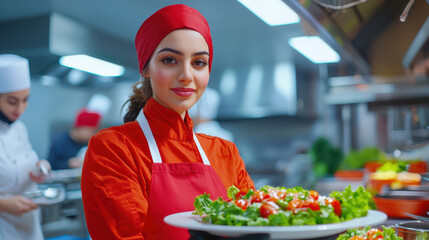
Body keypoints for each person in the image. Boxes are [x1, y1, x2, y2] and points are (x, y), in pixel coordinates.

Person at [81, 4, 254, 240]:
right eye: (170, 60)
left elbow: (255, 223)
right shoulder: (114, 149)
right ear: (145, 68)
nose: (186, 75)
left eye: (199, 63)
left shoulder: (225, 153)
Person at [0, 54, 50, 240]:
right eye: (12, 102)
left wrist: (39, 168)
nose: (20, 109)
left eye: (25, 99)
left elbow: (28, 164)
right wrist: (3, 205)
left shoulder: (20, 129)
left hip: (29, 225)